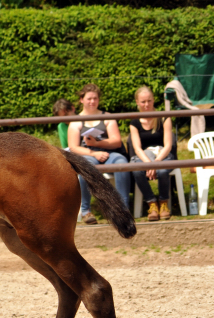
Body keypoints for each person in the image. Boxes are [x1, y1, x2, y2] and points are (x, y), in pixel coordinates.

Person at [68, 83, 130, 225]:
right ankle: (86, 211)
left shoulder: (107, 117)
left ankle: (123, 209)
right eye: (89, 98)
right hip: (89, 155)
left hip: (109, 154)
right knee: (85, 168)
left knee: (121, 163)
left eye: (95, 98)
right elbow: (73, 147)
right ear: (81, 100)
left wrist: (97, 145)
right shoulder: (76, 121)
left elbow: (116, 142)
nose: (92, 101)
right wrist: (93, 153)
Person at [129, 86, 175, 221]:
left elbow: (168, 145)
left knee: (162, 171)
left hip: (163, 155)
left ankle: (164, 203)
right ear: (137, 102)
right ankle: (151, 203)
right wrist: (149, 164)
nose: (146, 104)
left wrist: (155, 163)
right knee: (137, 171)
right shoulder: (134, 122)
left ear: (154, 100)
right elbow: (136, 148)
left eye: (149, 101)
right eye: (143, 102)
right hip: (144, 156)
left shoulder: (164, 118)